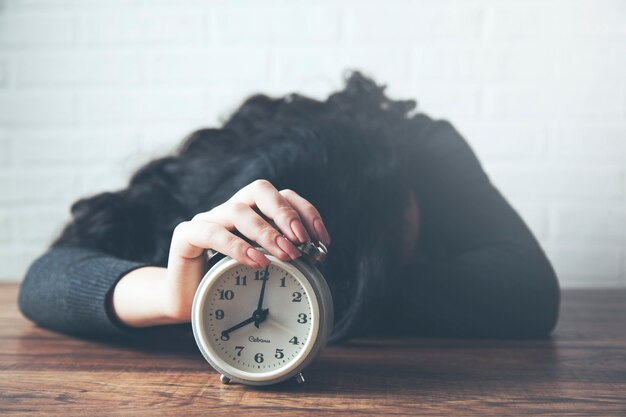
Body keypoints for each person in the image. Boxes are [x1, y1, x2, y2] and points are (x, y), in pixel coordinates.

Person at [18, 72, 560, 344]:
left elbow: (531, 292)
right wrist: (171, 294)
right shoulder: (215, 179)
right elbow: (44, 280)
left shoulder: (419, 150)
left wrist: (328, 293)